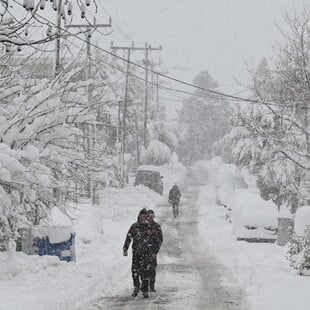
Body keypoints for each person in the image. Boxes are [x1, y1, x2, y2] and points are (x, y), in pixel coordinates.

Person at [123, 208, 152, 298]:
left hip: (147, 253)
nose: (143, 218)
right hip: (136, 252)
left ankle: (145, 290)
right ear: (139, 216)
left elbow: (155, 239)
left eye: (145, 216)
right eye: (142, 216)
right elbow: (128, 237)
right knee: (135, 271)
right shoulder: (135, 227)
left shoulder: (150, 227)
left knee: (146, 272)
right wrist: (125, 248)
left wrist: (154, 250)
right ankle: (136, 286)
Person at [146, 209, 163, 292]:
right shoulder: (143, 226)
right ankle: (144, 286)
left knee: (152, 269)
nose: (151, 218)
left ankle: (152, 286)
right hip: (143, 252)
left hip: (152, 251)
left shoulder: (157, 226)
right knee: (144, 269)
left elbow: (160, 239)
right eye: (149, 216)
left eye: (152, 216)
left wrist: (155, 251)